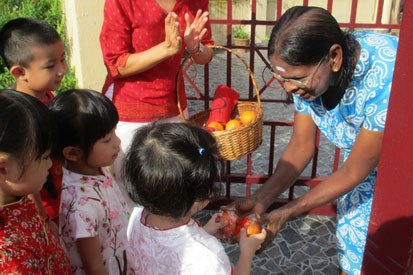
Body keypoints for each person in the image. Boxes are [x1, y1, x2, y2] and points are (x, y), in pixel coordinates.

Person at [225, 6, 413, 274]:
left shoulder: (386, 75)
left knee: (396, 241)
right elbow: (301, 147)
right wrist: (262, 198)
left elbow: (354, 170)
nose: (288, 88)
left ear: (334, 57)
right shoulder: (309, 78)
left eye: (297, 78)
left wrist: (286, 212)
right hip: (363, 153)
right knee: (352, 234)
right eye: (281, 77)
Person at [123, 122, 266, 274]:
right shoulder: (208, 258)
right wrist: (246, 253)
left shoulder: (137, 217)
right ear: (199, 198)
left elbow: (167, 244)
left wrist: (203, 233)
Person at [99, 0, 215, 181]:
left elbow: (206, 53)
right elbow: (115, 64)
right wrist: (167, 49)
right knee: (134, 192)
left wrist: (196, 48)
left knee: (175, 183)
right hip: (131, 110)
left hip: (173, 105)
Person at [49, 89, 133, 274]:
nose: (117, 142)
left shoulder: (95, 169)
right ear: (73, 153)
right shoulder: (81, 206)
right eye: (106, 140)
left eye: (114, 133)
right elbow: (93, 265)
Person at [0, 17, 67, 228]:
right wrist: (43, 219)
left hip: (64, 199)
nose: (61, 70)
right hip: (42, 212)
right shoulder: (18, 117)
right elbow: (25, 176)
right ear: (20, 73)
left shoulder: (51, 97)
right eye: (50, 66)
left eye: (62, 59)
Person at [0, 89, 71, 273]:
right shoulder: (9, 257)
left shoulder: (17, 199)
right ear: (3, 168)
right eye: (44, 157)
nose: (49, 164)